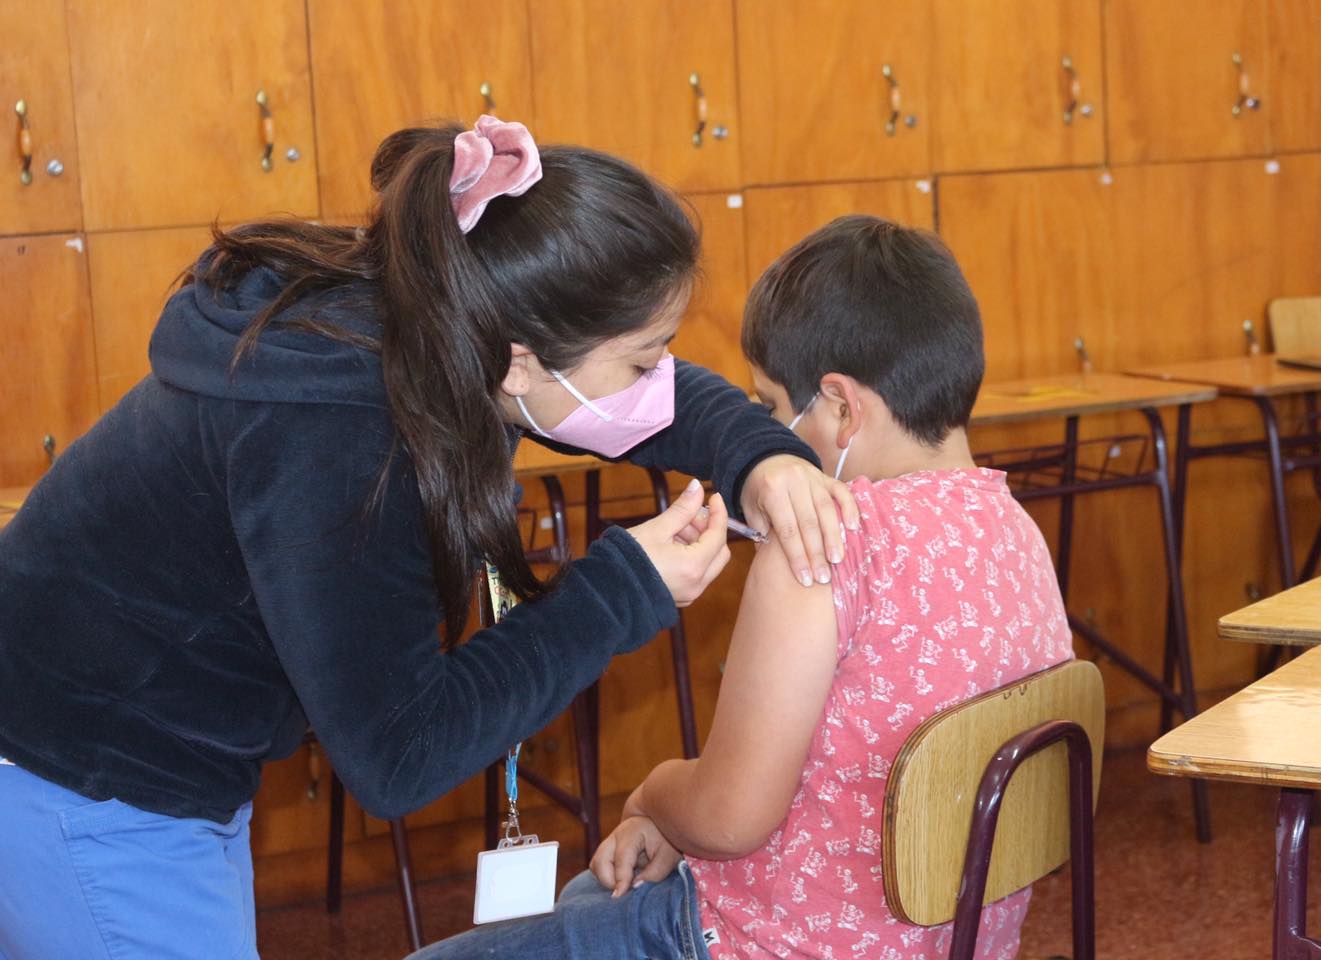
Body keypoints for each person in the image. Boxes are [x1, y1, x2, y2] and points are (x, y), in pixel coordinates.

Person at [0, 117, 858, 960]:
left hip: (151, 767)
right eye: (642, 360)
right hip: (78, 776)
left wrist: (760, 459)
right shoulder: (342, 439)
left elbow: (658, 397)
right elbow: (400, 755)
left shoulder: (439, 330)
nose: (656, 382)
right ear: (519, 363)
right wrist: (621, 590)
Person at [410, 215, 1074, 960]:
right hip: (958, 945)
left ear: (841, 406)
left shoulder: (821, 544)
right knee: (594, 898)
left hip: (765, 942)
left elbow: (730, 820)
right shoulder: (1016, 528)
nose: (764, 431)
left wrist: (653, 794)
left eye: (768, 405)